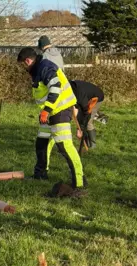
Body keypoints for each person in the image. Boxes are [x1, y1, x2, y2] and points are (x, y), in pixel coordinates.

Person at [17, 47, 87, 194]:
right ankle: (40, 174)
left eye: (23, 64)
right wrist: (45, 111)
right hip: (51, 111)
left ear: (28, 61)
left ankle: (79, 183)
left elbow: (55, 87)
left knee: (64, 146)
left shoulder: (45, 67)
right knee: (42, 141)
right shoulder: (39, 68)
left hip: (60, 110)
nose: (23, 67)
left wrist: (46, 110)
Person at [70, 80, 105, 149]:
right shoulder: (69, 89)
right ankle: (85, 143)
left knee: (88, 122)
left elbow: (86, 112)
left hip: (96, 98)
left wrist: (80, 128)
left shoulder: (79, 94)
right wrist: (79, 127)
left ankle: (93, 145)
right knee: (81, 119)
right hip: (86, 98)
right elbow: (76, 108)